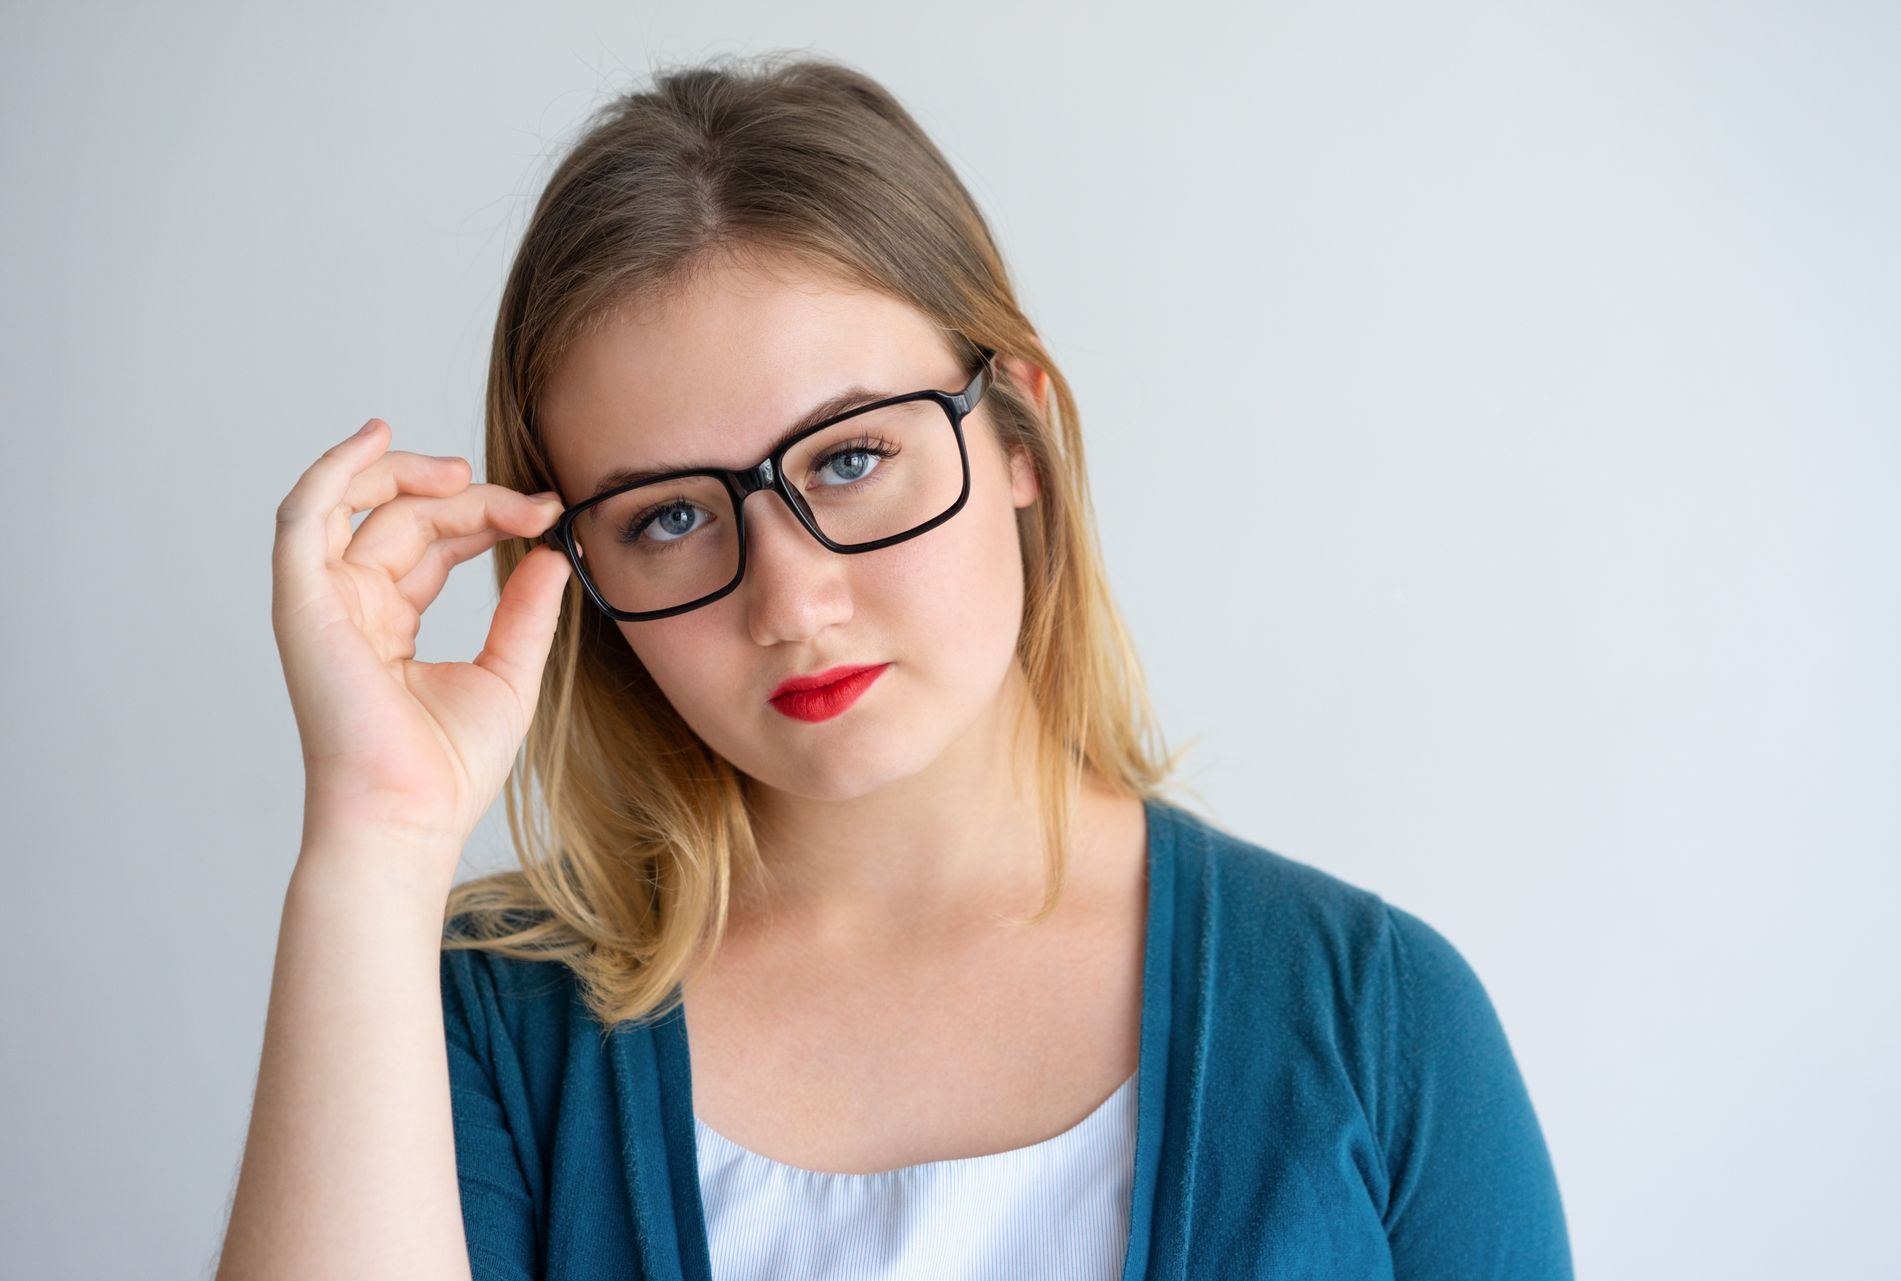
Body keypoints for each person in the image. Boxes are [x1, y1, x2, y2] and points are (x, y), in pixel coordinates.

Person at [219, 51, 1574, 1281]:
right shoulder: (486, 1027)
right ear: (574, 571)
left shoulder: (1377, 1022)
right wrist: (374, 838)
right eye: (671, 517)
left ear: (1021, 441)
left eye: (854, 456)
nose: (792, 603)